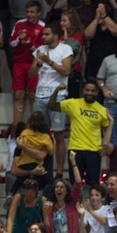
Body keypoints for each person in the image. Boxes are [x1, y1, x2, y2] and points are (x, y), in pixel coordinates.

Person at [29, 23, 73, 178]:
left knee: (59, 134)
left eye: (47, 34)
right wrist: (40, 62)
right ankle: (41, 169)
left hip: (58, 95)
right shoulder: (40, 50)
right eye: (43, 34)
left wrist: (49, 62)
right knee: (40, 134)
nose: (44, 37)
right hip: (40, 94)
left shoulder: (65, 49)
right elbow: (31, 73)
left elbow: (66, 71)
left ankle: (59, 172)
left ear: (55, 35)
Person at [49, 81, 113, 185]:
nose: (90, 93)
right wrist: (56, 90)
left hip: (94, 151)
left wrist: (106, 146)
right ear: (83, 91)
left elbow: (107, 129)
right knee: (75, 186)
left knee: (94, 185)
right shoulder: (73, 103)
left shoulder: (102, 110)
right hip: (75, 150)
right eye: (87, 90)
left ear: (97, 93)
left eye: (93, 91)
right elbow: (51, 106)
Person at [9, 0, 45, 124]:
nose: (29, 15)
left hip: (34, 65)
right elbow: (11, 43)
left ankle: (34, 126)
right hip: (19, 63)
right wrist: (19, 39)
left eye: (32, 12)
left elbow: (42, 50)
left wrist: (30, 45)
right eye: (27, 12)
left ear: (38, 13)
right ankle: (16, 126)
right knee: (18, 96)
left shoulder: (42, 27)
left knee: (32, 96)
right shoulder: (19, 24)